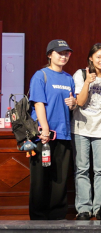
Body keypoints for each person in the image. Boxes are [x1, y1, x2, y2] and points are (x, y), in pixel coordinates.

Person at [28, 40, 76, 220]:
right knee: (40, 178)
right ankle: (38, 217)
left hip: (63, 134)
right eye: (59, 53)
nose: (63, 56)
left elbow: (71, 105)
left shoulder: (69, 78)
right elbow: (38, 103)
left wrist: (73, 104)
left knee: (60, 178)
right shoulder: (41, 76)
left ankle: (57, 216)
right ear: (49, 55)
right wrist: (45, 129)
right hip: (43, 135)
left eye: (66, 53)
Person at [72, 44, 101, 220]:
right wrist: (88, 82)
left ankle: (100, 208)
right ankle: (83, 209)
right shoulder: (81, 74)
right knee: (82, 169)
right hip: (81, 128)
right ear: (91, 58)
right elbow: (80, 102)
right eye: (98, 57)